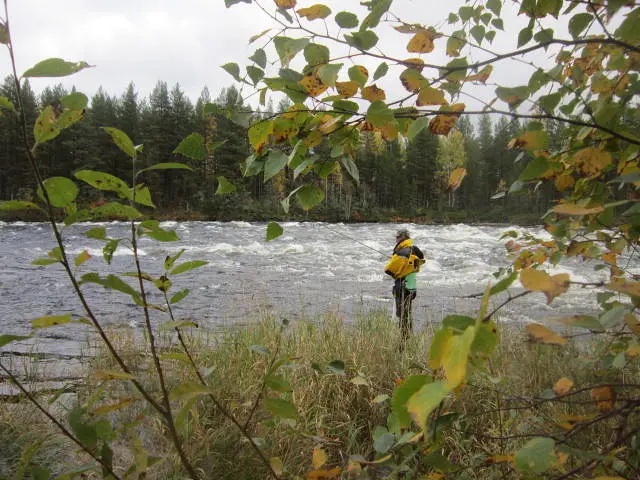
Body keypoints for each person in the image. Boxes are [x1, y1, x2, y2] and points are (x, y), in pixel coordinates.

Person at [384, 229, 425, 343]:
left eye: (396, 238)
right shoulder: (414, 249)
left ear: (400, 238)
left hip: (402, 288)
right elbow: (421, 260)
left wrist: (395, 260)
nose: (395, 240)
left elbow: (388, 270)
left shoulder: (401, 252)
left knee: (402, 316)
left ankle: (404, 341)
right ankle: (407, 338)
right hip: (412, 287)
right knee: (407, 314)